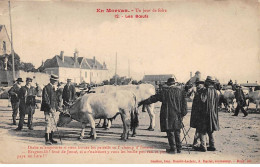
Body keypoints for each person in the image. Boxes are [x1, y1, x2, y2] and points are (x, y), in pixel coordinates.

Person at [138, 77, 187, 154]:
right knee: (177, 131)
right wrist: (183, 114)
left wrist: (143, 102)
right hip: (177, 114)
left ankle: (173, 149)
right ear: (175, 84)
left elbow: (154, 98)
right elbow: (184, 105)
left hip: (167, 114)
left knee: (170, 131)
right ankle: (179, 148)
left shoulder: (165, 92)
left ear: (168, 84)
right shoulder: (181, 92)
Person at [195, 76, 220, 152]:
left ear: (208, 83)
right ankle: (212, 145)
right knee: (210, 130)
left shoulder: (205, 91)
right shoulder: (216, 92)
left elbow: (202, 101)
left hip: (204, 114)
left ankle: (203, 146)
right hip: (213, 114)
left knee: (202, 130)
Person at [41, 74, 59, 145]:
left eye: (56, 81)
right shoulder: (46, 88)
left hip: (53, 109)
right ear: (51, 80)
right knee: (48, 123)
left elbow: (55, 100)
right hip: (48, 109)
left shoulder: (54, 88)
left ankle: (51, 138)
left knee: (53, 124)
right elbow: (45, 99)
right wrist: (50, 108)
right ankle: (47, 139)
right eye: (54, 81)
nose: (55, 82)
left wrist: (56, 108)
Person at [190, 78, 205, 148]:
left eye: (200, 84)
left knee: (200, 129)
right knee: (199, 129)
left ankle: (198, 143)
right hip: (197, 114)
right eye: (197, 84)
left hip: (201, 114)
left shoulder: (203, 92)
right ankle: (198, 143)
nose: (198, 85)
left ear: (202, 84)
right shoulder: (198, 92)